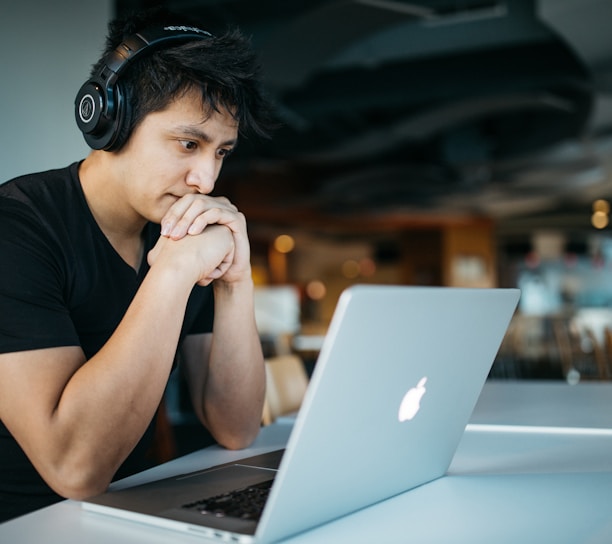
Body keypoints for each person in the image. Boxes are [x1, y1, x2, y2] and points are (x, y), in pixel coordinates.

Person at [0, 7, 275, 522]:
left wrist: (236, 283)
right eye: (189, 144)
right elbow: (73, 470)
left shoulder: (179, 230)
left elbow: (235, 427)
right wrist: (171, 273)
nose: (206, 180)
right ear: (110, 119)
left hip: (132, 513)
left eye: (222, 153)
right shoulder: (17, 231)